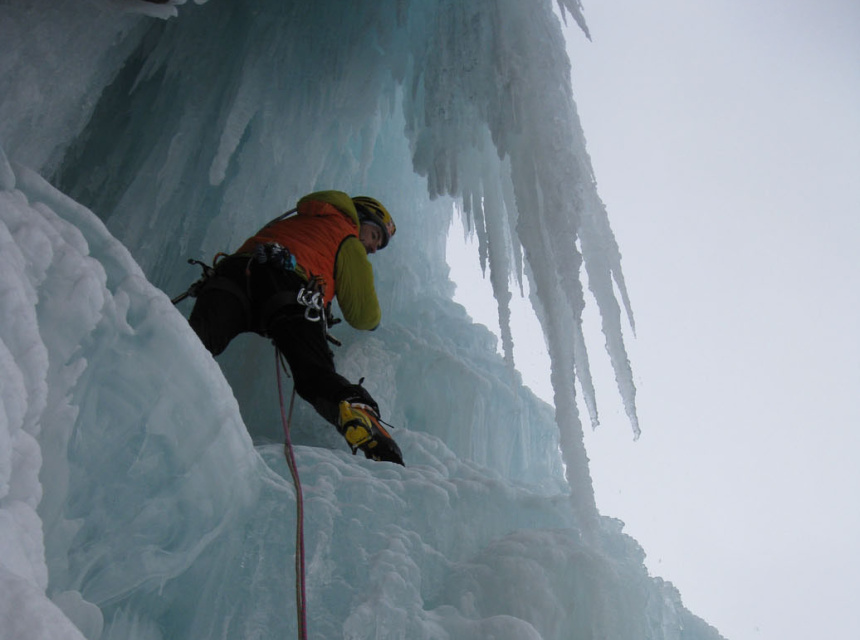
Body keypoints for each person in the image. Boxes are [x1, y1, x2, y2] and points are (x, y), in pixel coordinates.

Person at [188, 190, 404, 465]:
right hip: (288, 287)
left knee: (196, 343)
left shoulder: (300, 219)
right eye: (374, 236)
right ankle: (359, 413)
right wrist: (374, 323)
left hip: (232, 275)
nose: (373, 248)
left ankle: (154, 368)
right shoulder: (346, 237)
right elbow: (363, 315)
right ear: (359, 219)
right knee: (314, 373)